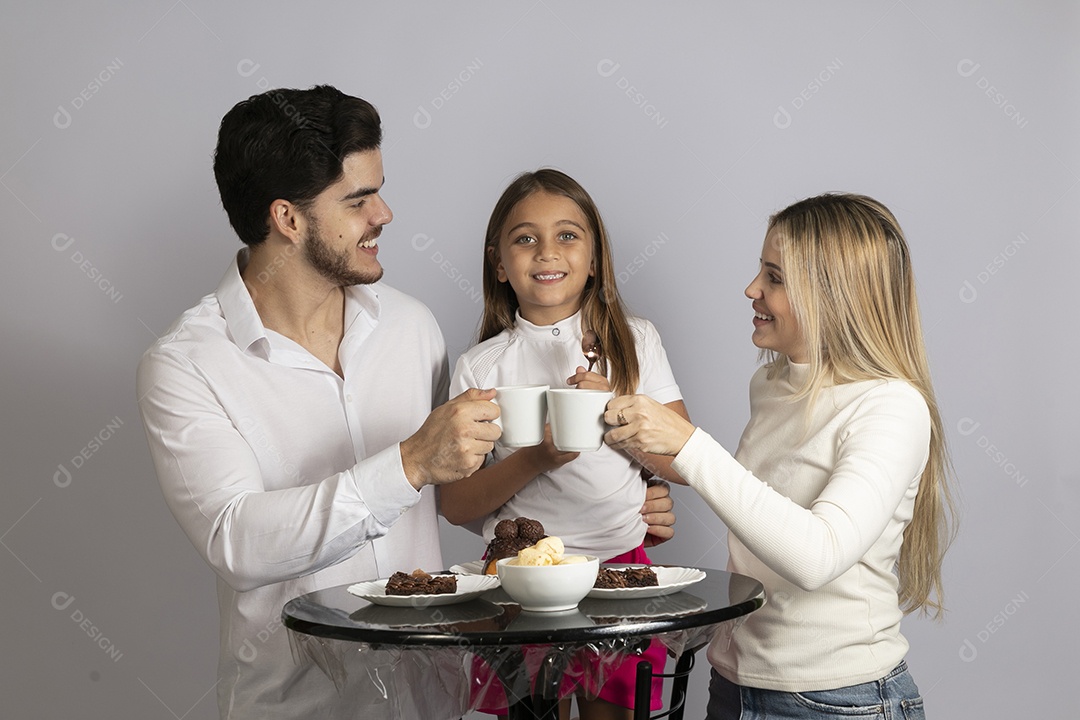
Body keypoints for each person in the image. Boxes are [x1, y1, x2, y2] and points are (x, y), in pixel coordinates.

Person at [135, 86, 676, 720]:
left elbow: (473, 491)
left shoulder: (410, 327)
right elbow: (238, 543)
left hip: (429, 698)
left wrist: (625, 493)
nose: (384, 214)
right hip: (301, 705)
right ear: (288, 219)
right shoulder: (186, 364)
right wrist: (410, 462)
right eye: (359, 200)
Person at [603, 193, 956, 720]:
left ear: (834, 295)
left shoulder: (890, 406)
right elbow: (759, 518)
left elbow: (817, 557)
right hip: (733, 687)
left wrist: (689, 444)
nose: (752, 289)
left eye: (775, 277)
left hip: (837, 701)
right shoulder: (771, 384)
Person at [440, 168, 690, 719]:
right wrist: (538, 458)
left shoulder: (635, 342)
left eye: (567, 235)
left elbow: (683, 462)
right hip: (517, 580)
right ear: (499, 264)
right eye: (525, 238)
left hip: (617, 571)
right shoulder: (480, 367)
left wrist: (615, 413)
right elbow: (455, 504)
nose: (547, 252)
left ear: (595, 258)